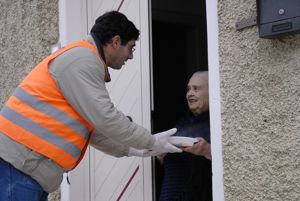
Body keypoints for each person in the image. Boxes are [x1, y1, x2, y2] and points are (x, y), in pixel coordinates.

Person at [0, 11, 182, 201]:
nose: (130, 57)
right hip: (19, 165)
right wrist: (151, 142)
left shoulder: (84, 59)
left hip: (26, 166)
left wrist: (130, 149)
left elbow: (91, 128)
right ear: (115, 41)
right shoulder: (83, 59)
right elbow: (105, 118)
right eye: (131, 48)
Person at [158, 71, 212, 201]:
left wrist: (207, 150)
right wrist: (160, 154)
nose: (190, 94)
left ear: (212, 91)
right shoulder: (181, 124)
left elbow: (232, 160)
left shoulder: (218, 124)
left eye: (196, 89)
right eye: (188, 89)